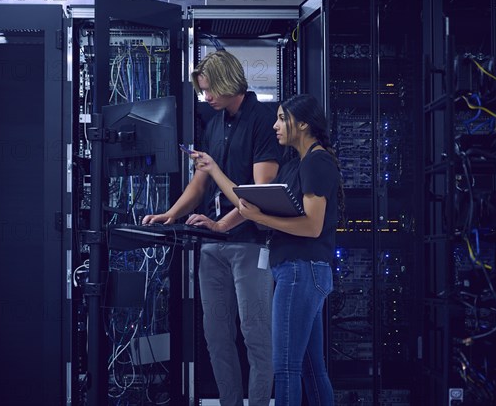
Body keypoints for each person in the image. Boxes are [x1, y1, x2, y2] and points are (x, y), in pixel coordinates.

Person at [142, 50, 281, 406]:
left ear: (228, 82)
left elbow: (259, 197)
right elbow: (200, 183)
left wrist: (221, 225)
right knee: (216, 336)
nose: (205, 97)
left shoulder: (263, 122)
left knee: (256, 336)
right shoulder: (216, 121)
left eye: (209, 90)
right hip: (212, 246)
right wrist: (169, 215)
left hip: (250, 245)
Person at [190, 93, 345, 406]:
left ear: (302, 124)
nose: (275, 126)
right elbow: (252, 206)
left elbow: (312, 227)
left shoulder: (317, 163)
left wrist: (260, 217)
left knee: (285, 366)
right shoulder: (293, 165)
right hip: (298, 270)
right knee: (311, 368)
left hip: (303, 270)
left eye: (281, 119)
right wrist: (216, 182)